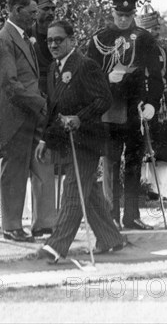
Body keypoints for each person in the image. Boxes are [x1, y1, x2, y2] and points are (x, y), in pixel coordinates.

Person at [35, 21, 125, 263]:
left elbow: (104, 99)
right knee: (91, 192)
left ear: (71, 40)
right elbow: (53, 109)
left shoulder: (86, 66)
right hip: (67, 142)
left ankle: (57, 245)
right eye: (50, 40)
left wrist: (80, 118)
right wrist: (46, 139)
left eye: (59, 39)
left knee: (73, 190)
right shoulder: (55, 69)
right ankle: (110, 238)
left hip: (87, 141)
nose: (53, 44)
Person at [86, 0, 164, 230]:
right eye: (120, 15)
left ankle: (131, 215)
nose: (123, 20)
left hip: (135, 108)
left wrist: (152, 103)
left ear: (133, 15)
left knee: (133, 162)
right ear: (112, 12)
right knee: (110, 162)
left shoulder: (144, 38)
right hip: (109, 109)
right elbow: (88, 76)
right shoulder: (100, 39)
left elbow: (156, 75)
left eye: (128, 15)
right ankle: (110, 216)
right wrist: (105, 79)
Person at [0, 0, 56, 242]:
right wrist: (41, 103)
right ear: (16, 10)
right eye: (31, 13)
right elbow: (9, 84)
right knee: (14, 173)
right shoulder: (2, 40)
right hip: (15, 117)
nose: (35, 17)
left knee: (43, 167)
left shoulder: (24, 38)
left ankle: (43, 225)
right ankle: (11, 227)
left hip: (34, 114)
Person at [135, 1, 167, 199]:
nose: (156, 32)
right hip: (139, 105)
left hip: (161, 108)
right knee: (140, 150)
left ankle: (157, 189)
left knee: (162, 151)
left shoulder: (162, 52)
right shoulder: (132, 50)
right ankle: (142, 188)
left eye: (156, 28)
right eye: (151, 29)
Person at [30, 0, 56, 95]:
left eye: (53, 9)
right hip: (36, 92)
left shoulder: (61, 33)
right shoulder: (26, 34)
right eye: (46, 9)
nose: (50, 13)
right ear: (36, 12)